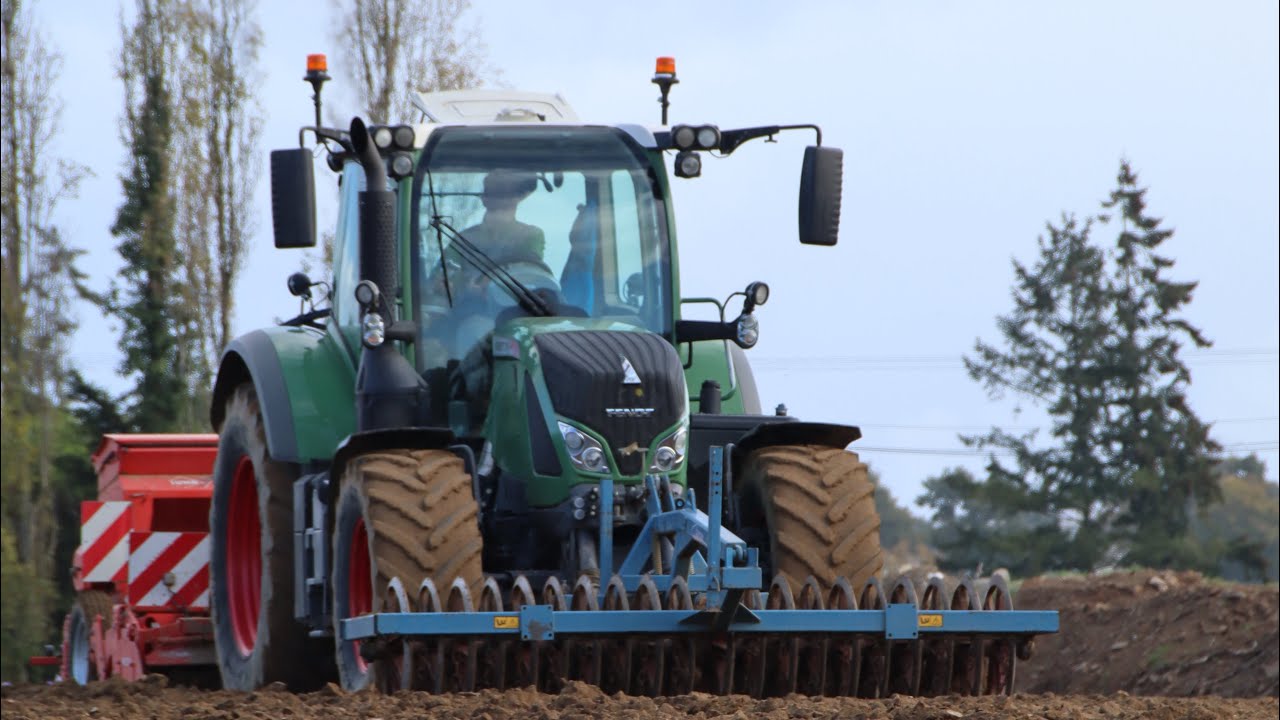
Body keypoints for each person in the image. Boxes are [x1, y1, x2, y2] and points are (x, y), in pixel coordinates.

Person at [459, 169, 545, 264]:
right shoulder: (464, 239)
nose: (493, 194)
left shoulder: (530, 235)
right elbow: (442, 275)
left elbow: (528, 273)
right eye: (488, 190)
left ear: (520, 196)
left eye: (502, 189)